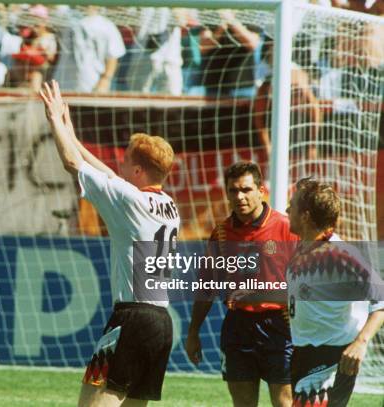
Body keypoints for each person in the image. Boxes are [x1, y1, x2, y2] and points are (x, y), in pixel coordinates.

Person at [40, 80, 178, 406]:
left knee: (91, 402)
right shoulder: (169, 206)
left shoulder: (130, 201)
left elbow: (74, 165)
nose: (120, 165)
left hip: (131, 317)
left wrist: (54, 122)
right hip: (161, 322)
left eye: (126, 160)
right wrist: (72, 135)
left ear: (139, 169)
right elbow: (112, 179)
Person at [184, 161, 298, 407]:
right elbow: (206, 287)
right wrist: (193, 332)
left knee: (285, 402)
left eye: (246, 189)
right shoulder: (221, 233)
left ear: (261, 191)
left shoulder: (287, 227)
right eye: (233, 190)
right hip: (237, 326)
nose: (239, 196)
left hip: (280, 324)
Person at [285, 178, 384, 407]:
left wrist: (360, 342)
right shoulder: (300, 250)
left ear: (306, 216)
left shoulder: (341, 255)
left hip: (332, 358)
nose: (287, 210)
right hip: (303, 354)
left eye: (293, 205)